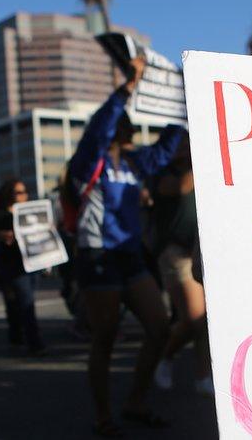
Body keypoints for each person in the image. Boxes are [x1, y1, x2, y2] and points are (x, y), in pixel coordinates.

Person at [70, 55, 184, 437]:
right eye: (125, 122)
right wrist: (126, 89)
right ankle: (103, 416)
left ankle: (135, 402)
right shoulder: (89, 162)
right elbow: (97, 131)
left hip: (131, 255)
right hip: (98, 254)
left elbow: (169, 146)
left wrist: (181, 102)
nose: (130, 127)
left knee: (159, 327)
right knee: (104, 336)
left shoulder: (136, 161)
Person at [150, 135, 213, 395]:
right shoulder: (162, 173)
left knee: (202, 321)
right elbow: (180, 188)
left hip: (199, 249)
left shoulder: (202, 171)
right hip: (175, 253)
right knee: (196, 318)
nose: (187, 147)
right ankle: (165, 357)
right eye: (182, 143)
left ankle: (203, 376)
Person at [0, 178, 48, 356]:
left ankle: (16, 335)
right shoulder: (0, 216)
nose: (23, 196)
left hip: (30, 263)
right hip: (11, 265)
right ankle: (35, 342)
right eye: (18, 192)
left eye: (24, 192)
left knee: (17, 302)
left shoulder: (31, 213)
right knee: (26, 302)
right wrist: (3, 235)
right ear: (9, 195)